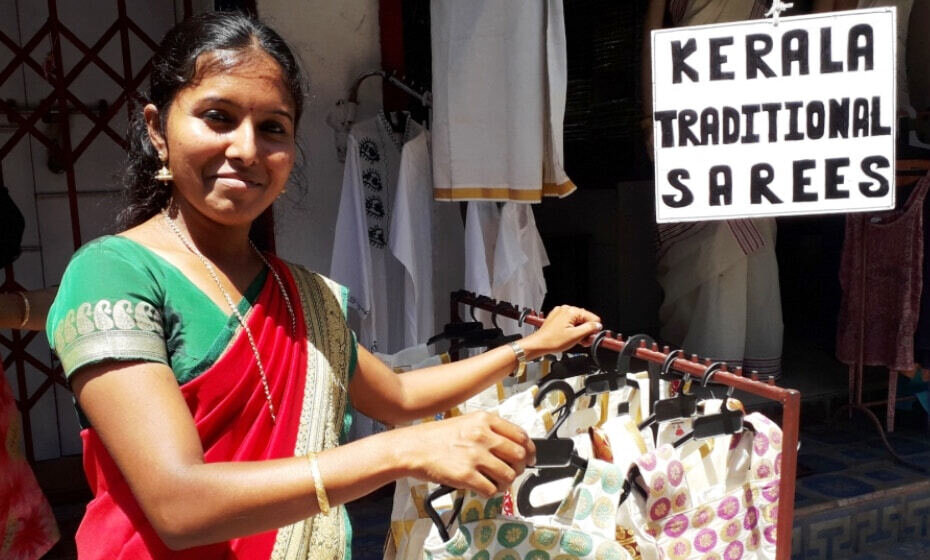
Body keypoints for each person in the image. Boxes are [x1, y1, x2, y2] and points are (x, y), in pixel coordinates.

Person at [44, 12, 603, 559]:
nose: (245, 149)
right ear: (156, 129)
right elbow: (178, 505)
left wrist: (529, 346)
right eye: (218, 117)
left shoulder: (301, 295)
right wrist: (401, 452)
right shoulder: (114, 273)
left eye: (272, 128)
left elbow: (401, 396)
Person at [642, 0, 784, 378]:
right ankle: (701, 370)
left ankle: (751, 374)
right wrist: (649, 117)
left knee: (750, 245)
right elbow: (655, 35)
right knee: (703, 247)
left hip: (750, 110)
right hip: (687, 108)